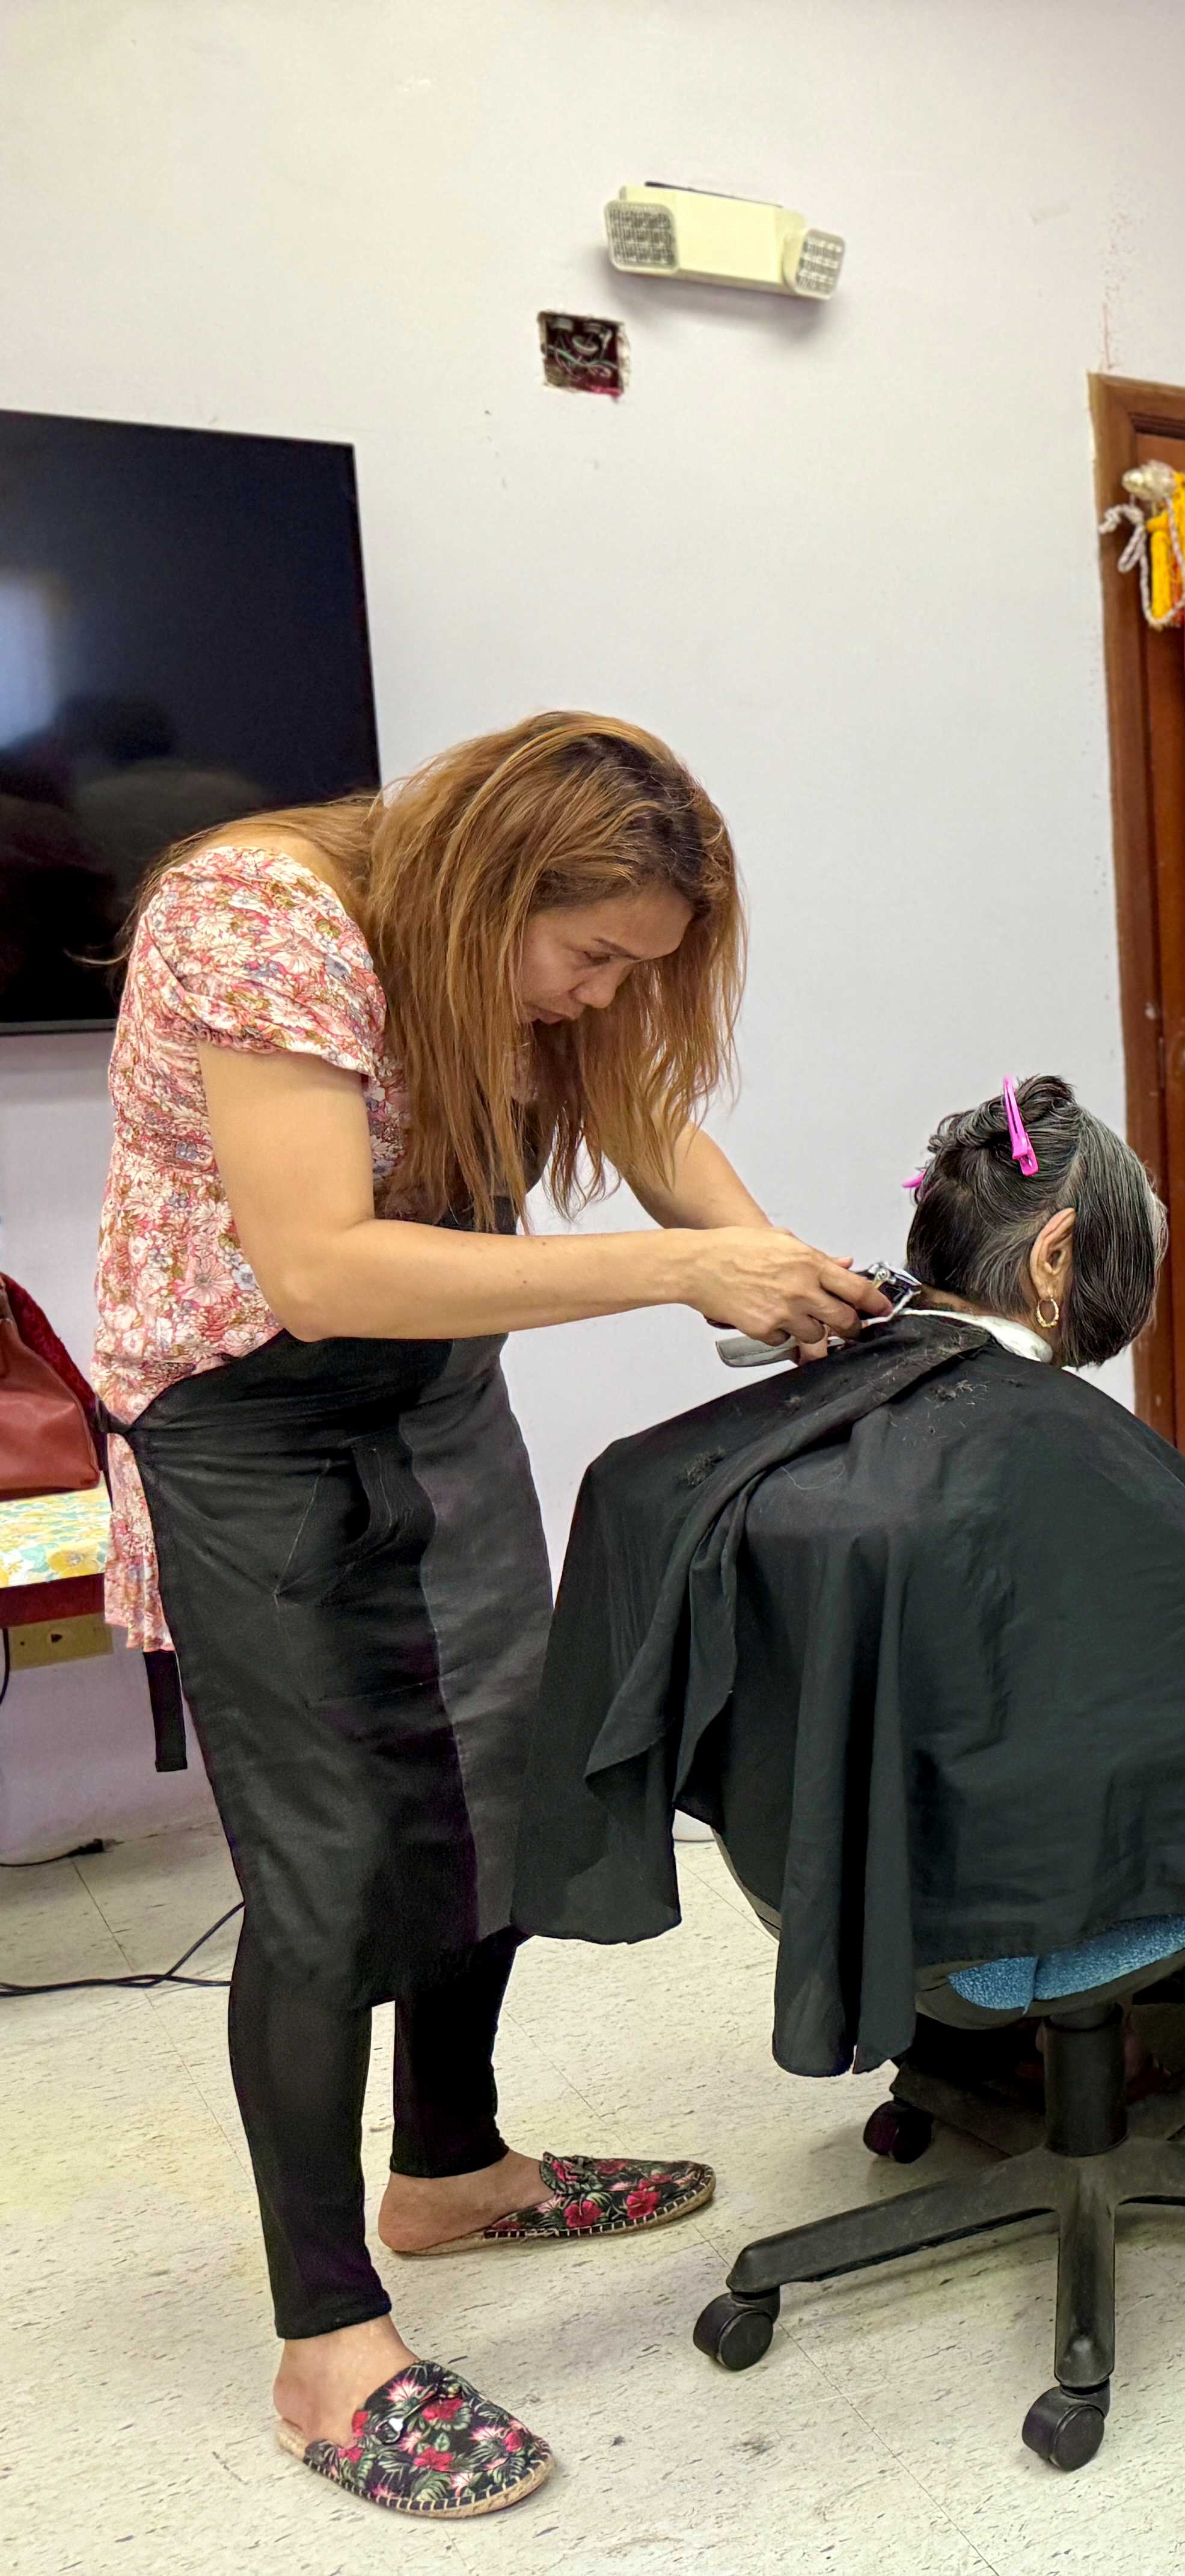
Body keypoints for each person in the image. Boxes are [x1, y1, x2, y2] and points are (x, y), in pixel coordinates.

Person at [93, 714, 892, 2518]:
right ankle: (326, 2340)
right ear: (490, 890)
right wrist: (685, 1268)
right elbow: (318, 1261)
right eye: (589, 955)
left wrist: (784, 1272)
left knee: (496, 1791)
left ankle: (448, 2165)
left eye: (638, 967)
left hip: (430, 1398)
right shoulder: (260, 913)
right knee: (331, 1864)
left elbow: (633, 1111)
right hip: (258, 1427)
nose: (601, 994)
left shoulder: (514, 969)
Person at [518, 1078, 1185, 2189]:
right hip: (996, 1925)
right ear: (1055, 1259)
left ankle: (1059, 2039)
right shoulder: (1041, 1444)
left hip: (848, 1887)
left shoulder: (831, 1404)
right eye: (1125, 1265)